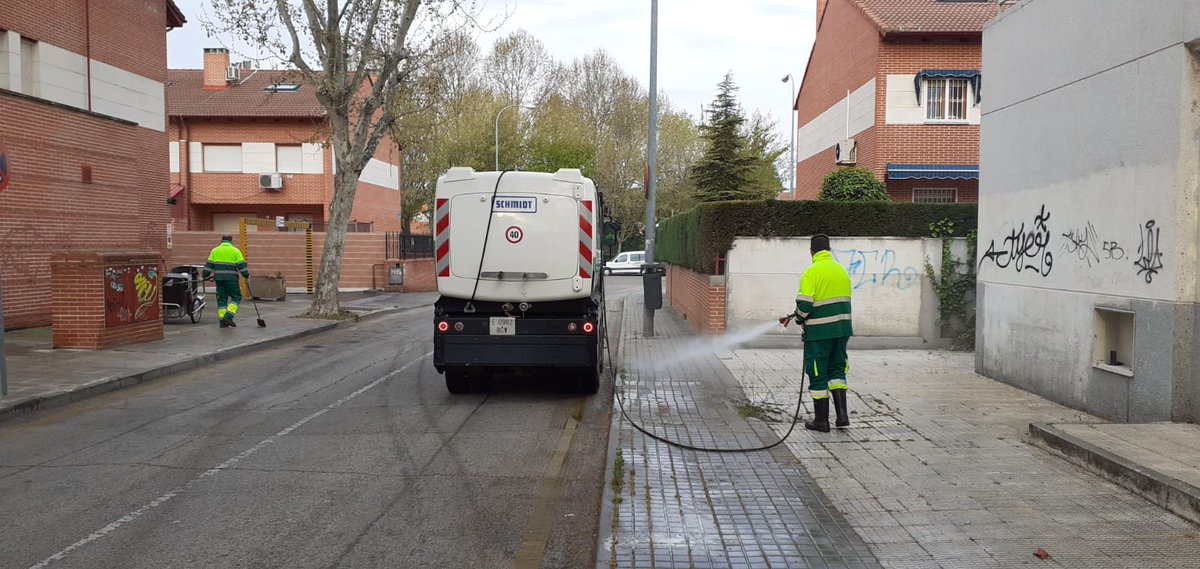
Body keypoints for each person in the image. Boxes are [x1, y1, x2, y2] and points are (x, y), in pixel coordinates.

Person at [789, 234, 853, 432]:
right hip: (842, 330)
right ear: (829, 250)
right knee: (837, 370)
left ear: (811, 251)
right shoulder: (841, 271)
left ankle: (821, 421)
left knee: (817, 373)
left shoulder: (812, 272)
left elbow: (806, 304)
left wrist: (798, 317)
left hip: (819, 333)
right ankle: (842, 416)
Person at [202, 235, 250, 328]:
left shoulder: (215, 250)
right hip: (232, 280)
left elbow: (208, 266)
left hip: (219, 280)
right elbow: (242, 266)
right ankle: (229, 316)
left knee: (222, 300)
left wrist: (204, 275)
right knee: (236, 297)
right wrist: (246, 276)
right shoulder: (235, 251)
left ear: (222, 241)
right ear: (231, 241)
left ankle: (223, 322)